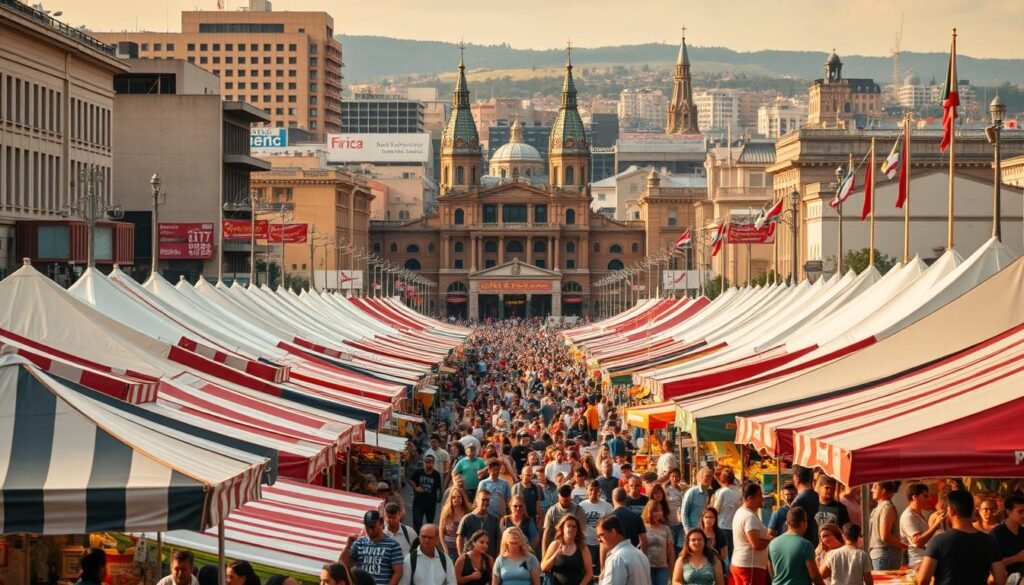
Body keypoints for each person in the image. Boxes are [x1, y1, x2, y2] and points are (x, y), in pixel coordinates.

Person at [916, 489, 1006, 585]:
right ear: (973, 510)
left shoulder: (938, 542)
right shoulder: (990, 541)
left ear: (951, 511)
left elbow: (923, 580)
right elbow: (1000, 579)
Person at [343, 510, 405, 585]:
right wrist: (348, 546)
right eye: (367, 527)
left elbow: (398, 572)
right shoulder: (359, 543)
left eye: (372, 527)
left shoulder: (393, 545)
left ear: (381, 523)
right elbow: (344, 565)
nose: (369, 530)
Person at [767, 507, 825, 585]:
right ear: (803, 523)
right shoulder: (806, 545)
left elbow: (772, 572)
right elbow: (814, 576)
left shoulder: (772, 543)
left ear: (787, 523)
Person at [731, 482, 772, 585]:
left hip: (742, 564)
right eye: (759, 495)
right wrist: (771, 540)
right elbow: (756, 544)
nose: (762, 498)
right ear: (750, 498)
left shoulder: (742, 512)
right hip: (750, 566)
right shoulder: (749, 517)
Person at [598, 514, 653, 585]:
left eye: (601, 535)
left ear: (613, 532)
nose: (599, 540)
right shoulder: (640, 554)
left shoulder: (617, 559)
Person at [899, 482, 944, 569]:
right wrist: (935, 525)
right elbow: (917, 542)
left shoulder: (918, 514)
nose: (928, 499)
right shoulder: (908, 516)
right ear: (914, 497)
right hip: (917, 563)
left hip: (924, 561)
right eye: (925, 496)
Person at [540, 515, 593, 585]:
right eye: (568, 526)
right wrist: (554, 557)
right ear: (562, 528)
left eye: (574, 527)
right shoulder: (555, 545)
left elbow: (589, 574)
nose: (571, 529)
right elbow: (543, 568)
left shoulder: (582, 547)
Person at [866, 481, 905, 571]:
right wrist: (904, 546)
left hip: (884, 556)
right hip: (885, 555)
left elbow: (885, 536)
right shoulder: (885, 508)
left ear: (883, 491)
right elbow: (885, 536)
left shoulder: (885, 507)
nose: (872, 490)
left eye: (875, 487)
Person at [579, 480, 613, 579]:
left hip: (603, 544)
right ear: (587, 490)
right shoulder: (581, 506)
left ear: (599, 491)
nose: (593, 493)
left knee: (603, 571)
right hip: (586, 542)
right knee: (588, 571)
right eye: (591, 490)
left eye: (596, 490)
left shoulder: (607, 506)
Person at [542, 483, 588, 552]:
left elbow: (581, 533)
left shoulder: (578, 510)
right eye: (562, 501)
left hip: (574, 546)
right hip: (556, 546)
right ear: (558, 497)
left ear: (571, 497)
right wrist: (544, 554)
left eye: (567, 500)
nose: (565, 503)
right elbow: (546, 533)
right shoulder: (552, 511)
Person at [457, 488, 501, 559]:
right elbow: (460, 537)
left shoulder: (494, 519)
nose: (486, 502)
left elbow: (498, 539)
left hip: (489, 558)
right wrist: (461, 555)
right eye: (483, 499)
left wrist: (498, 555)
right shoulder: (467, 519)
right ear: (477, 500)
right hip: (470, 558)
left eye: (487, 500)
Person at [643, 500, 676, 585]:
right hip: (646, 567)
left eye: (660, 510)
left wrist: (672, 570)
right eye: (656, 511)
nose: (659, 513)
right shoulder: (642, 528)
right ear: (649, 511)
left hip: (662, 567)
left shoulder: (666, 529)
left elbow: (670, 551)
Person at [712, 468, 741, 560]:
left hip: (722, 525)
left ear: (722, 479)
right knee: (732, 553)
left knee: (723, 555)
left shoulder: (722, 492)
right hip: (734, 526)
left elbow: (716, 510)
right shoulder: (738, 492)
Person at [409, 454, 444, 531]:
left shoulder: (436, 474)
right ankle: (417, 540)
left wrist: (439, 499)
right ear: (424, 462)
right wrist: (415, 487)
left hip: (431, 503)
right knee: (417, 523)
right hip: (418, 502)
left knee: (429, 524)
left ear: (433, 463)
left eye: (431, 462)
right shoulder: (418, 472)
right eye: (427, 462)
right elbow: (410, 480)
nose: (429, 464)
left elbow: (438, 487)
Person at [992, 495, 1024, 578]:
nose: (1023, 515)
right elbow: (992, 564)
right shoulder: (996, 534)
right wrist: (1017, 558)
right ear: (1009, 512)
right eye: (1020, 512)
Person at [609, 487, 648, 553]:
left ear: (613, 499)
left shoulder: (608, 519)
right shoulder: (636, 516)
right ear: (626, 498)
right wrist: (642, 555)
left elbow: (603, 545)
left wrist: (603, 563)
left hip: (614, 555)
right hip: (633, 554)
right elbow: (644, 540)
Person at [441, 487, 473, 560]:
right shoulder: (446, 513)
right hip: (450, 547)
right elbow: (441, 532)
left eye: (459, 497)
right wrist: (445, 548)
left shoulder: (468, 512)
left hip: (464, 547)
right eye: (453, 497)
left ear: (463, 498)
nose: (456, 499)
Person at [790, 466, 820, 547]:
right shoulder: (817, 496)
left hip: (800, 544)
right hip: (815, 542)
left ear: (797, 478)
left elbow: (791, 529)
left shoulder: (798, 501)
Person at [683, 469, 713, 533]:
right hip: (692, 529)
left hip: (702, 530)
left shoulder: (706, 494)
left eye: (711, 476)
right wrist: (688, 530)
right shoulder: (692, 492)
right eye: (707, 476)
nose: (709, 478)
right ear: (700, 477)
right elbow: (684, 513)